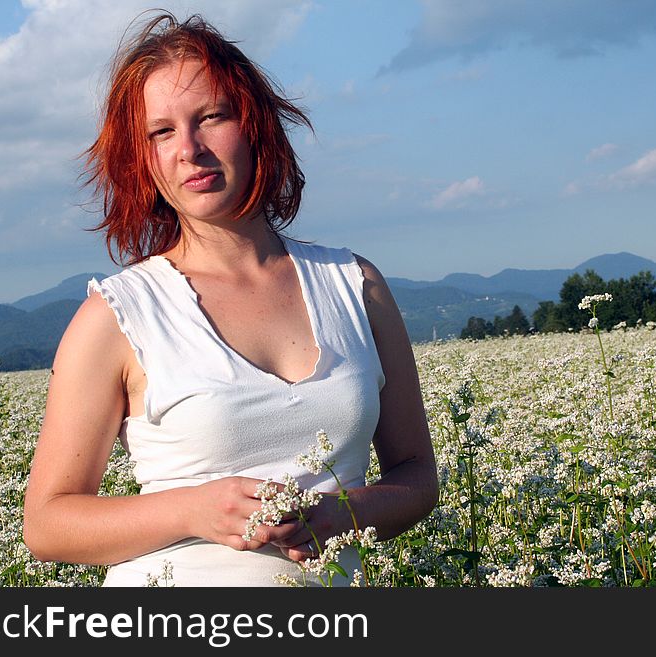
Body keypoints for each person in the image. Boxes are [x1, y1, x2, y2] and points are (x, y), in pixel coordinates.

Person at [22, 12, 438, 587]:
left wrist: (342, 515)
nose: (189, 149)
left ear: (255, 125)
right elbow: (47, 524)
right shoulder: (118, 315)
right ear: (141, 158)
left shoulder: (356, 284)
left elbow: (416, 474)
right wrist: (192, 509)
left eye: (210, 117)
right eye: (161, 132)